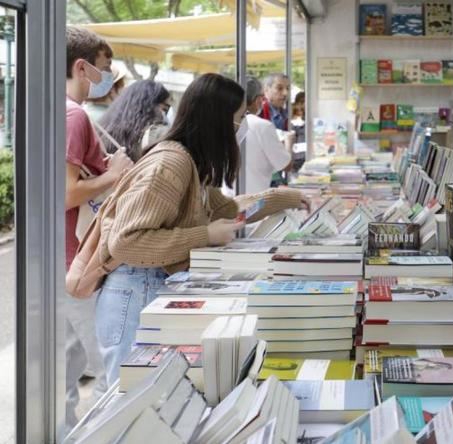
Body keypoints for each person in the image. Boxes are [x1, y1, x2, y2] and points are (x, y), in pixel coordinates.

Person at [91, 73, 308, 384]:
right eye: (239, 117)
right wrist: (205, 235)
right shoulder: (171, 164)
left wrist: (286, 197)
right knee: (130, 397)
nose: (242, 125)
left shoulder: (191, 162)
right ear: (216, 120)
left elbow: (229, 208)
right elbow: (126, 242)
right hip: (135, 292)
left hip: (149, 286)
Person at [64, 26, 134, 429]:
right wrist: (115, 174)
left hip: (67, 256)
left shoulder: (59, 111)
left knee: (67, 369)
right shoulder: (74, 116)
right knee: (107, 370)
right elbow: (67, 193)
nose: (105, 77)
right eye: (103, 68)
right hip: (79, 258)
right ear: (82, 66)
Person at [223, 77, 291, 196]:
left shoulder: (221, 123)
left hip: (226, 199)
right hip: (254, 201)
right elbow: (286, 165)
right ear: (258, 99)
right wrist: (289, 142)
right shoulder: (262, 126)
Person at [98, 79, 172, 161]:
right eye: (165, 109)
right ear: (147, 107)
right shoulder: (153, 136)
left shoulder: (104, 129)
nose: (165, 115)